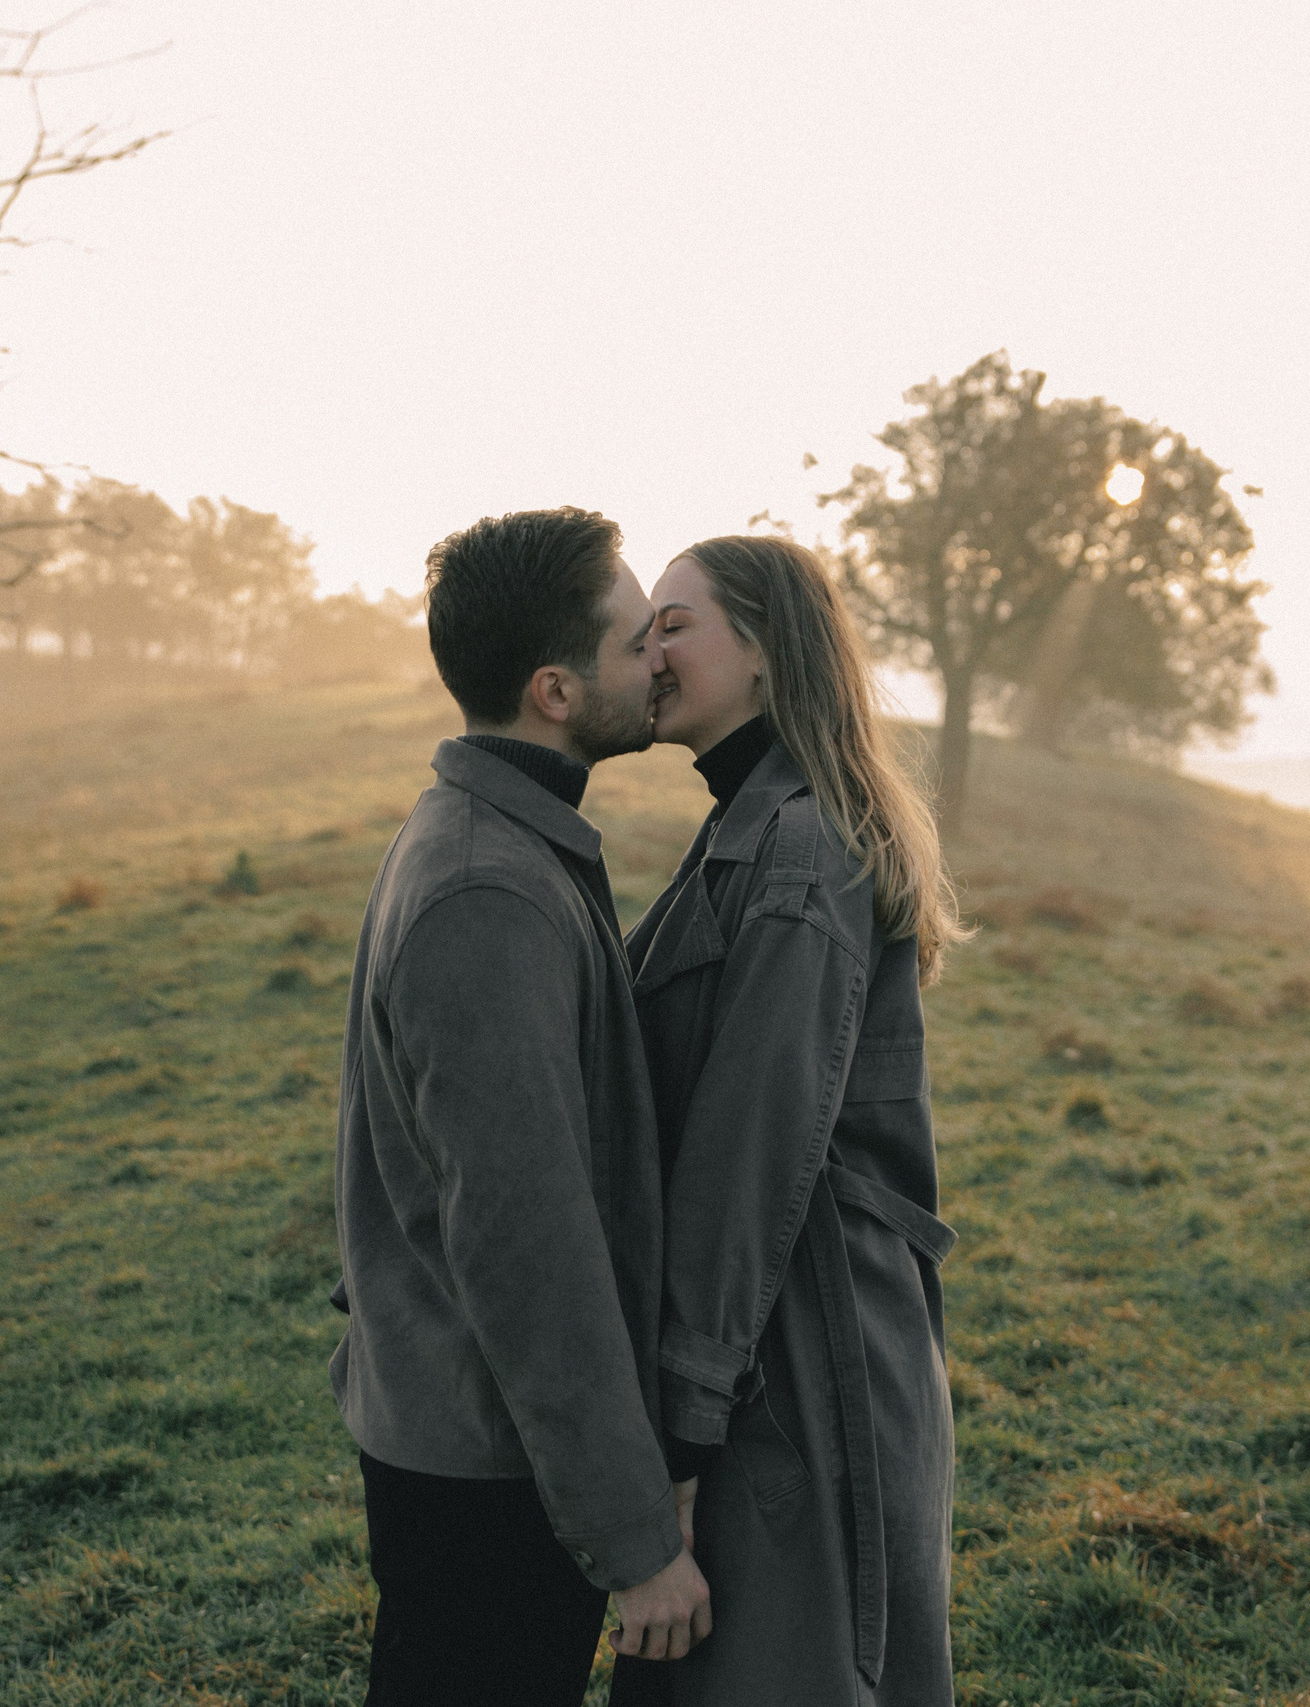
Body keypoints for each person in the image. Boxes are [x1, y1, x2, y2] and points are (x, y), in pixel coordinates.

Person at [328, 507, 710, 1706]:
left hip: (471, 1436)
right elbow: (524, 1247)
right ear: (554, 688)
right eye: (633, 636)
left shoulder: (488, 839)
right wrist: (636, 1538)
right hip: (487, 1469)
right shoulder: (487, 889)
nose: (659, 655)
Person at [613, 535, 967, 1706]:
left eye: (675, 624)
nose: (645, 648)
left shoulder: (801, 851)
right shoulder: (742, 830)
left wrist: (681, 1430)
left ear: (764, 655)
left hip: (805, 1360)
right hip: (779, 1340)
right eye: (644, 625)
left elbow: (749, 1157)